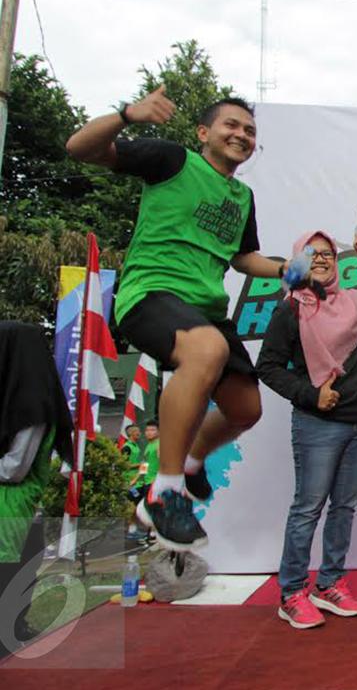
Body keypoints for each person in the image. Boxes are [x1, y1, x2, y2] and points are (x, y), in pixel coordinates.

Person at [65, 87, 302, 551]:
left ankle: (193, 462)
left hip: (206, 308)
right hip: (151, 292)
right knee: (207, 350)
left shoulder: (241, 196)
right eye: (231, 126)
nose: (241, 135)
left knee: (245, 410)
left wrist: (283, 270)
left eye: (249, 131)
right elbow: (79, 148)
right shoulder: (174, 161)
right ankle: (164, 490)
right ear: (203, 133)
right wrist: (128, 114)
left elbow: (242, 258)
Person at [256, 230, 357, 629]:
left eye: (328, 255)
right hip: (317, 424)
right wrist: (309, 394)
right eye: (312, 254)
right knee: (307, 509)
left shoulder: (354, 302)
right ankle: (291, 593)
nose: (321, 260)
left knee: (344, 508)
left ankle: (330, 584)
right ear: (298, 261)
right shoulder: (291, 310)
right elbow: (266, 367)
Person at [0, 322, 73, 651]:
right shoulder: (17, 399)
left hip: (11, 505)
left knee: (11, 573)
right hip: (16, 509)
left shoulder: (31, 405)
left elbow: (14, 468)